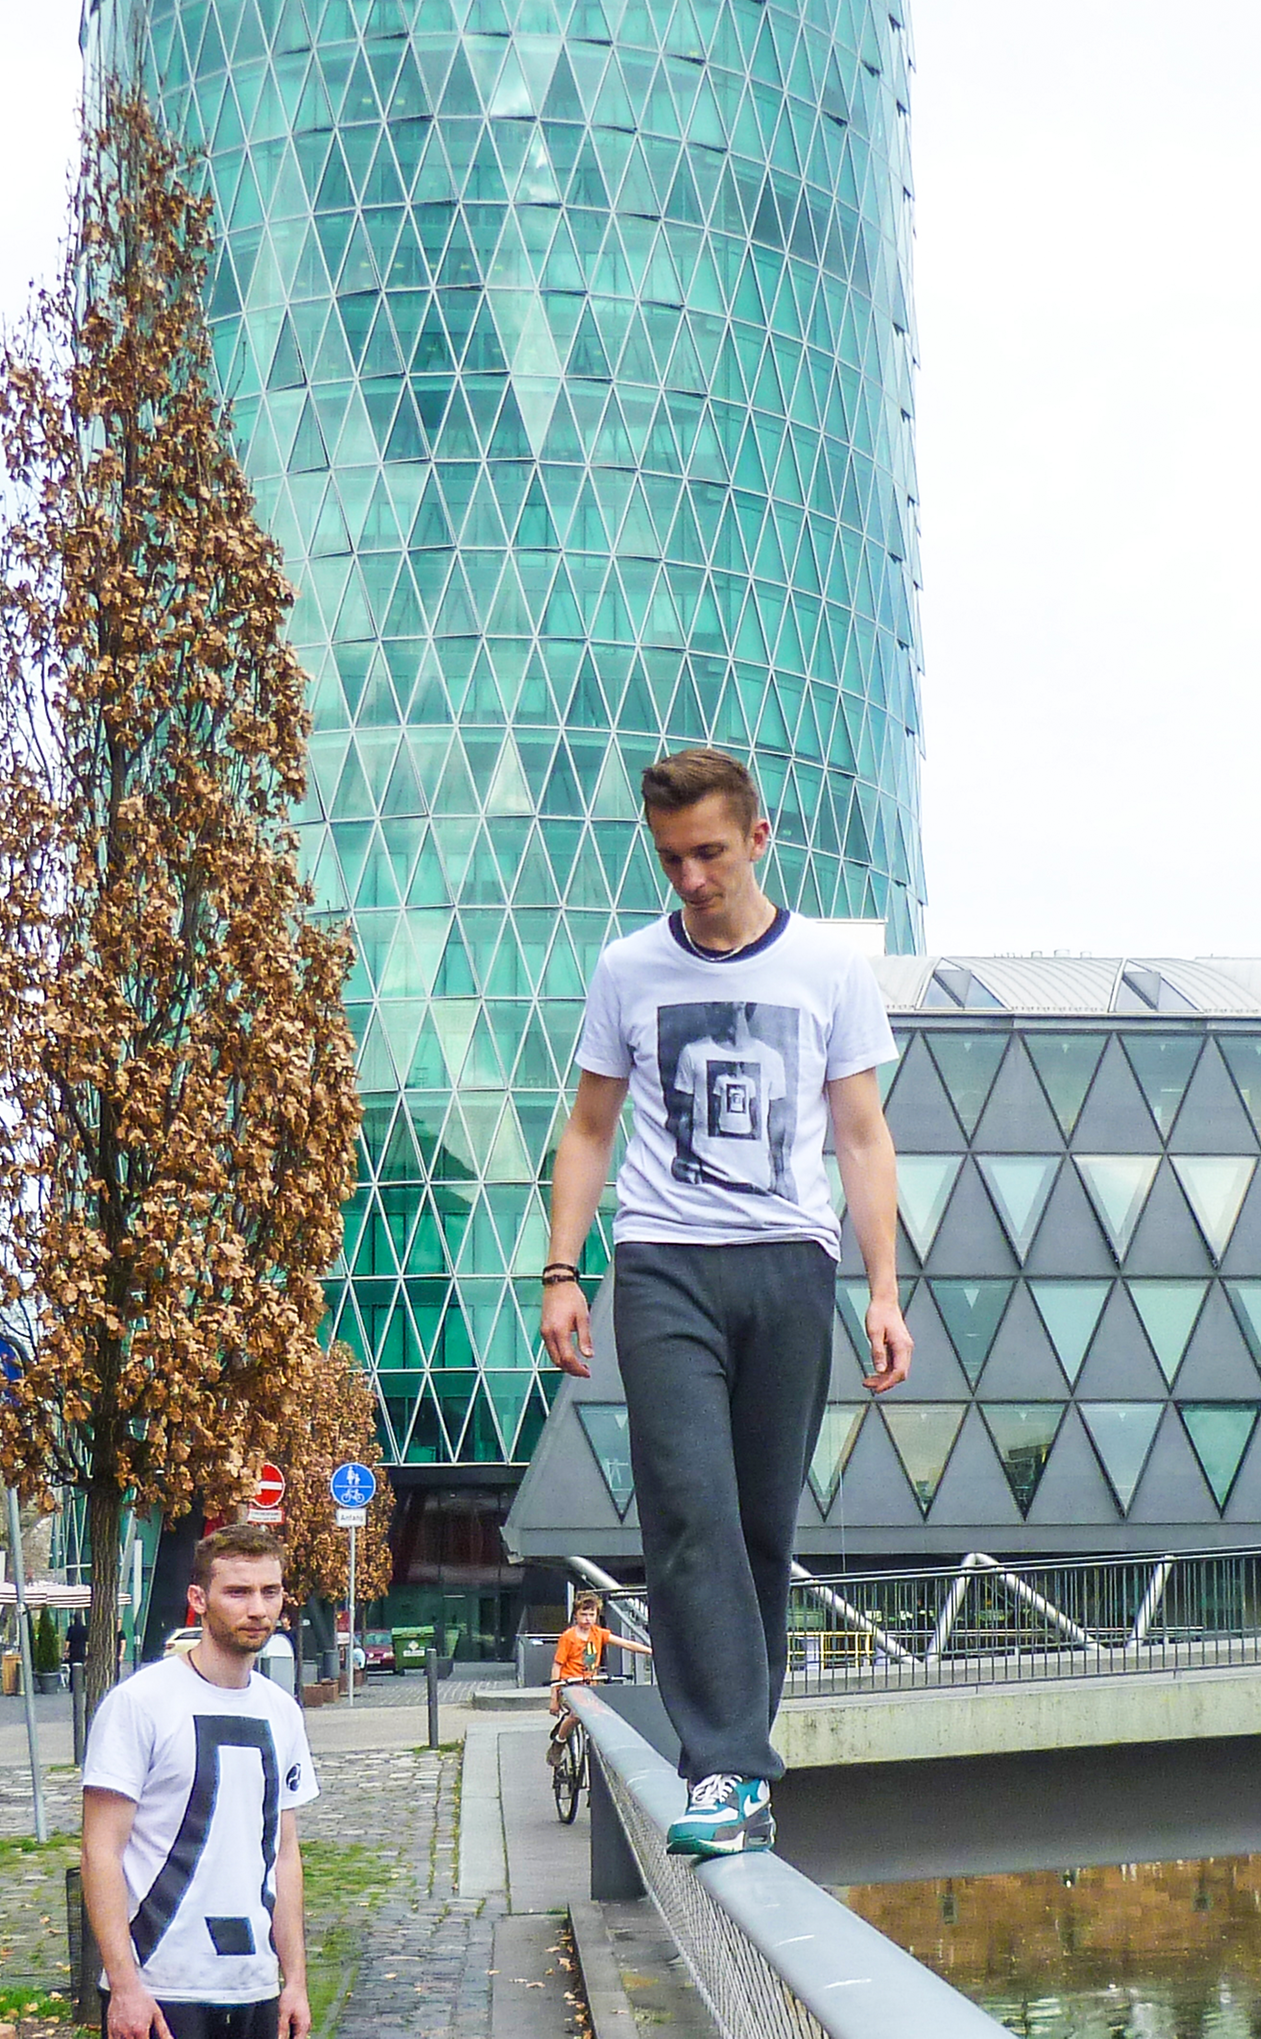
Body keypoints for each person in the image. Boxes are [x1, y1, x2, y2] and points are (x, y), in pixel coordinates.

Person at [541, 746, 910, 1860]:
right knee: (688, 1508)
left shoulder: (831, 970)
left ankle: (742, 1756)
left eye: (708, 853)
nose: (690, 878)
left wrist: (883, 1291)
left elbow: (861, 1134)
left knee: (757, 1526)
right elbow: (593, 1128)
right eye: (670, 859)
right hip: (662, 1264)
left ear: (757, 839)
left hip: (791, 1267)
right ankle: (728, 1768)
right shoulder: (628, 971)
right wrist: (563, 1271)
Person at [81, 1523, 317, 2039]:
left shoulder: (282, 1712)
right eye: (237, 1592)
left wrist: (294, 1980)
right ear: (198, 1598)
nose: (257, 1609)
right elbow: (101, 1852)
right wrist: (124, 1986)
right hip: (161, 1986)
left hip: (254, 1985)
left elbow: (285, 1853)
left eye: (269, 1592)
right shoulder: (139, 1703)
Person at [547, 1589, 648, 1717]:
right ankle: (560, 1737)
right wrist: (554, 1698)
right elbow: (557, 1666)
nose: (587, 1619)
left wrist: (650, 1651)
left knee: (603, 1713)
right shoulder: (568, 1637)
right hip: (569, 1687)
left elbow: (626, 1644)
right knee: (578, 1714)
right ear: (576, 1615)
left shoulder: (599, 1633)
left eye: (591, 1614)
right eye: (583, 1614)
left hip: (590, 1685)